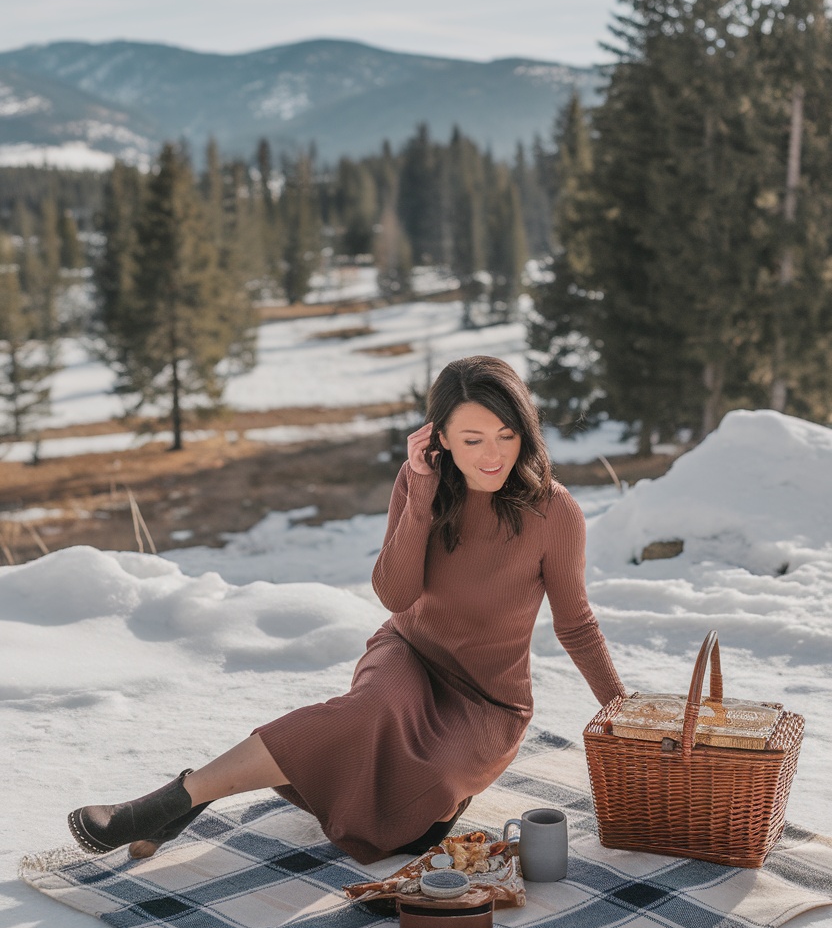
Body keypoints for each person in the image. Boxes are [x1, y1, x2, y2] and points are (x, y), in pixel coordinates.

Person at [68, 355, 626, 865]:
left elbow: (575, 623)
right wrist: (423, 496)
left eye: (507, 435)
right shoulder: (418, 482)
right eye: (473, 439)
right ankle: (171, 801)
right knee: (368, 713)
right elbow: (395, 595)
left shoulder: (555, 513)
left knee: (416, 825)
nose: (494, 454)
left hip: (488, 703)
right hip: (409, 653)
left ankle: (196, 800)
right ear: (441, 440)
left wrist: (622, 711)